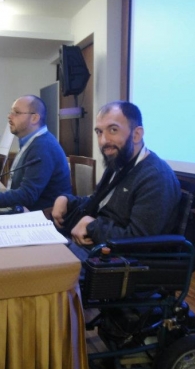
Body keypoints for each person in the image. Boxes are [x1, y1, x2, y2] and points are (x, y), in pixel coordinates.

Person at [51, 101, 181, 259]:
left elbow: (139, 241)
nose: (103, 141)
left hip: (117, 262)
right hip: (95, 246)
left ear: (136, 134)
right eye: (99, 132)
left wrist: (91, 226)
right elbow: (97, 202)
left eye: (113, 130)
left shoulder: (155, 177)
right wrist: (67, 200)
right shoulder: (118, 162)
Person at [0, 95, 71, 211]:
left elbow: (27, 196)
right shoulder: (33, 141)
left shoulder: (43, 146)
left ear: (34, 118)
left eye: (17, 113)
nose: (9, 117)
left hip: (43, 218)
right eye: (10, 112)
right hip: (26, 211)